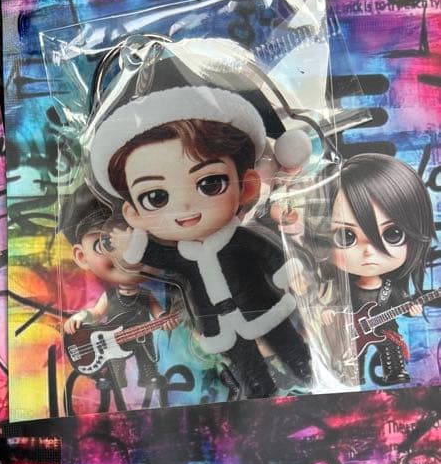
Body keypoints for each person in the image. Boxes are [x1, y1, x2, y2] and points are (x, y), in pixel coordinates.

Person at [86, 39, 314, 400]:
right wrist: (135, 244)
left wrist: (289, 272)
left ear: (246, 186)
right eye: (156, 197)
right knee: (248, 371)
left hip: (263, 305)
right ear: (133, 213)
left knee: (291, 346)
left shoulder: (241, 238)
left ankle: (309, 373)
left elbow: (268, 253)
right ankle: (259, 393)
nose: (185, 207)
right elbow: (157, 258)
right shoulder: (180, 256)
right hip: (215, 323)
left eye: (210, 183)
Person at [319, 154, 435, 387]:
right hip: (352, 325)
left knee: (391, 344)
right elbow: (335, 302)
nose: (369, 252)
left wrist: (412, 309)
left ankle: (395, 370)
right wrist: (329, 312)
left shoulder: (391, 287)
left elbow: (400, 304)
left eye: (392, 234)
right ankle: (353, 374)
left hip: (384, 325)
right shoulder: (345, 286)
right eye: (346, 236)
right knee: (353, 352)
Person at [60, 184, 169, 395]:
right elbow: (96, 312)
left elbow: (159, 313)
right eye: (104, 244)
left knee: (145, 353)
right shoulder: (110, 295)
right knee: (114, 358)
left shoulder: (146, 295)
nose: (126, 255)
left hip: (141, 336)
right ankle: (111, 376)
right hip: (110, 337)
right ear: (82, 257)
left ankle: (148, 374)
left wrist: (166, 319)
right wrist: (80, 317)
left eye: (142, 239)